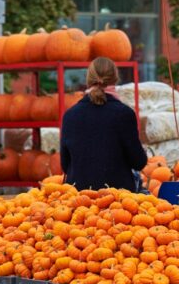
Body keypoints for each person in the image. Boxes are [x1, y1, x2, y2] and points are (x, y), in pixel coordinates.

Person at [60, 57, 147, 191]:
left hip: (79, 200)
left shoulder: (70, 115)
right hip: (117, 202)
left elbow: (65, 165)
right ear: (115, 78)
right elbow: (138, 162)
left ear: (88, 79)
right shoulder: (124, 114)